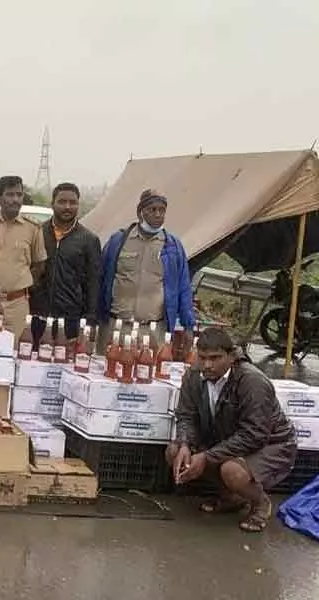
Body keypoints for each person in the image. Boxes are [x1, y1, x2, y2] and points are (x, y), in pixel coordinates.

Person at [168, 328, 297, 533]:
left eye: (215, 358)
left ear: (231, 356)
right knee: (176, 452)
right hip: (228, 437)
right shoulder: (193, 376)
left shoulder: (252, 381)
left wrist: (208, 456)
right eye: (202, 358)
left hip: (272, 444)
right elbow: (186, 415)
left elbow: (255, 435)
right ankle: (231, 498)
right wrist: (185, 442)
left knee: (232, 471)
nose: (207, 365)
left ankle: (260, 503)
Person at [98, 188, 195, 347]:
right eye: (153, 209)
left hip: (153, 331)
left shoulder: (172, 247)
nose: (158, 214)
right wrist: (94, 319)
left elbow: (183, 288)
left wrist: (188, 326)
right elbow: (101, 279)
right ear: (140, 212)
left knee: (148, 369)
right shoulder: (119, 241)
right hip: (116, 326)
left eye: (162, 210)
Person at [0, 175, 47, 339]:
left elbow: (39, 264)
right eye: (10, 195)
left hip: (16, 304)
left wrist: (19, 284)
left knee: (14, 351)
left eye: (19, 195)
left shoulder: (33, 229)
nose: (15, 200)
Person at [29, 182, 101, 344]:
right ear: (52, 204)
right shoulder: (37, 233)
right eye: (62, 202)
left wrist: (90, 318)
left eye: (72, 202)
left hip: (71, 319)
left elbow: (93, 282)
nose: (67, 207)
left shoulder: (89, 240)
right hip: (36, 314)